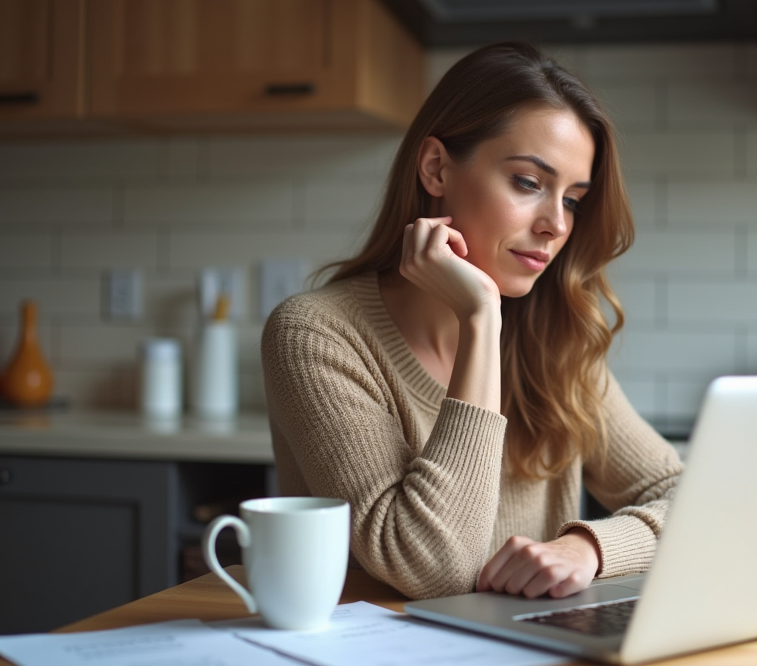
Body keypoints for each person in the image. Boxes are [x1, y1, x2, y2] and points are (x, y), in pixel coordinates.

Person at [261, 41, 683, 601]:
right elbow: (435, 571)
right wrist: (481, 319)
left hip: (532, 665)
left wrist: (589, 548)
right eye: (529, 183)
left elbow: (686, 494)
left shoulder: (551, 340)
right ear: (436, 168)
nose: (556, 225)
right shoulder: (316, 335)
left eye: (574, 199)